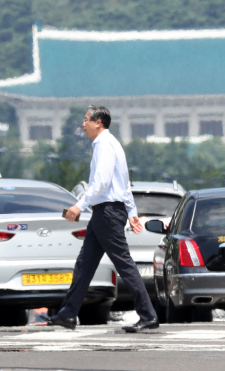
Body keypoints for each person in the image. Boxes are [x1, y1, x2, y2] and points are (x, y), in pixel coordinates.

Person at [44, 105, 158, 333]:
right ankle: (68, 314)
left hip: (106, 212)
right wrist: (132, 212)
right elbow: (124, 184)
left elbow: (102, 183)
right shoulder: (110, 143)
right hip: (105, 212)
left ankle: (148, 315)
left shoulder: (104, 144)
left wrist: (79, 205)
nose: (83, 124)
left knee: (124, 264)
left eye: (86, 120)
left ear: (99, 122)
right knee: (84, 265)